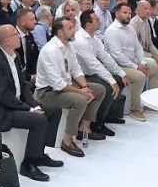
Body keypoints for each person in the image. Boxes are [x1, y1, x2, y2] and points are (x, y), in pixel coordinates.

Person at [0, 24, 64, 183]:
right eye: (15, 34)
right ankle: (28, 164)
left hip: (16, 104)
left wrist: (34, 104)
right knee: (39, 120)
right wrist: (30, 109)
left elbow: (23, 86)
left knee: (55, 111)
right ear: (7, 40)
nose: (19, 37)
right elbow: (3, 96)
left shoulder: (15, 56)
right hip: (2, 110)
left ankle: (39, 153)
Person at [33, 18, 106, 157]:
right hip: (47, 92)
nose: (74, 30)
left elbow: (76, 70)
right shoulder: (50, 50)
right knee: (80, 100)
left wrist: (85, 87)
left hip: (66, 85)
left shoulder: (69, 46)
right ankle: (67, 141)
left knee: (99, 90)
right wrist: (81, 92)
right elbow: (57, 84)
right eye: (70, 28)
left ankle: (84, 128)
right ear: (60, 32)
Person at [73, 9, 133, 130]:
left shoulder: (93, 38)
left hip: (91, 73)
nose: (99, 21)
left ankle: (108, 115)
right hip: (81, 77)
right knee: (108, 87)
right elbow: (95, 65)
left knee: (119, 80)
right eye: (96, 19)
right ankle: (97, 123)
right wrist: (112, 81)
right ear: (88, 24)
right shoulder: (80, 41)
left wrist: (121, 74)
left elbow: (106, 57)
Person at [103, 3, 158, 120]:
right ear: (117, 14)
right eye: (124, 13)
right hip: (117, 66)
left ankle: (150, 105)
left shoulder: (130, 28)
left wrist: (142, 62)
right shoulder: (112, 31)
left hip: (133, 63)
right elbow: (117, 56)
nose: (128, 15)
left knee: (157, 70)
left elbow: (138, 48)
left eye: (129, 13)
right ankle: (134, 109)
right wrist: (136, 67)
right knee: (140, 76)